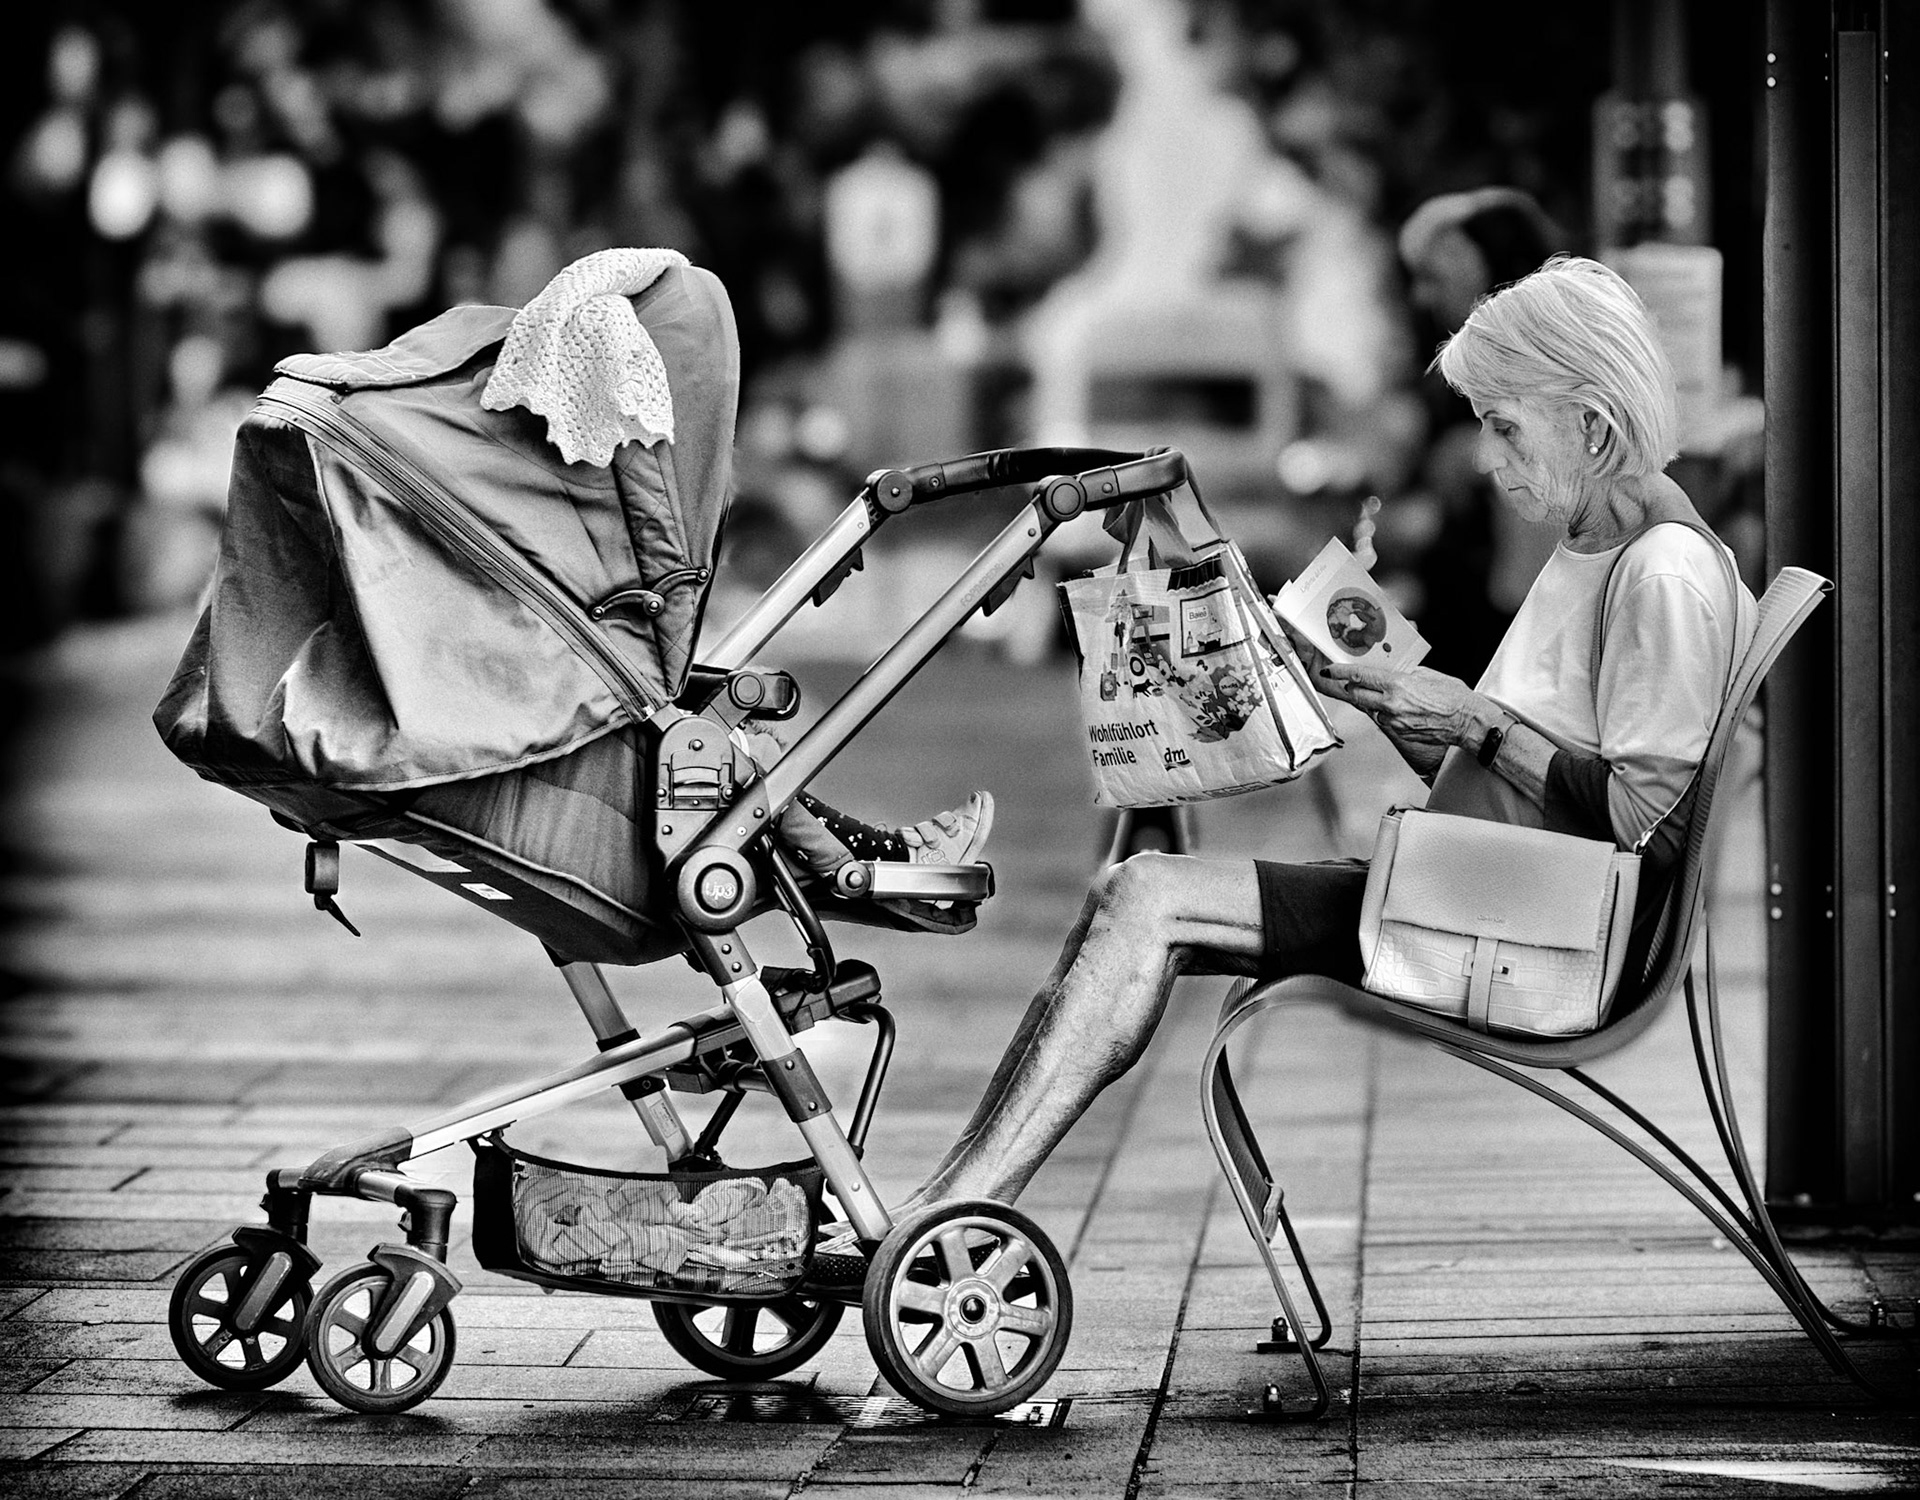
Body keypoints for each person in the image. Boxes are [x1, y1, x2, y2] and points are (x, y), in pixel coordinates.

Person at [900, 256, 1755, 1211]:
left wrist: (1474, 718)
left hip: (1528, 932)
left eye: (1505, 428)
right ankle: (954, 1196)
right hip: (1484, 894)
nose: (1485, 458)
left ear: (1593, 427)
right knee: (1130, 895)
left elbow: (1650, 824)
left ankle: (951, 1209)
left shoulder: (1662, 576)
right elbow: (1525, 778)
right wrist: (1390, 702)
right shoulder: (1603, 549)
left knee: (1144, 897)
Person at [1397, 188, 1568, 680]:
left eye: (1435, 276)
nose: (1423, 297)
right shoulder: (1468, 351)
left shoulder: (1539, 338)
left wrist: (1471, 456)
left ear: (1481, 265)